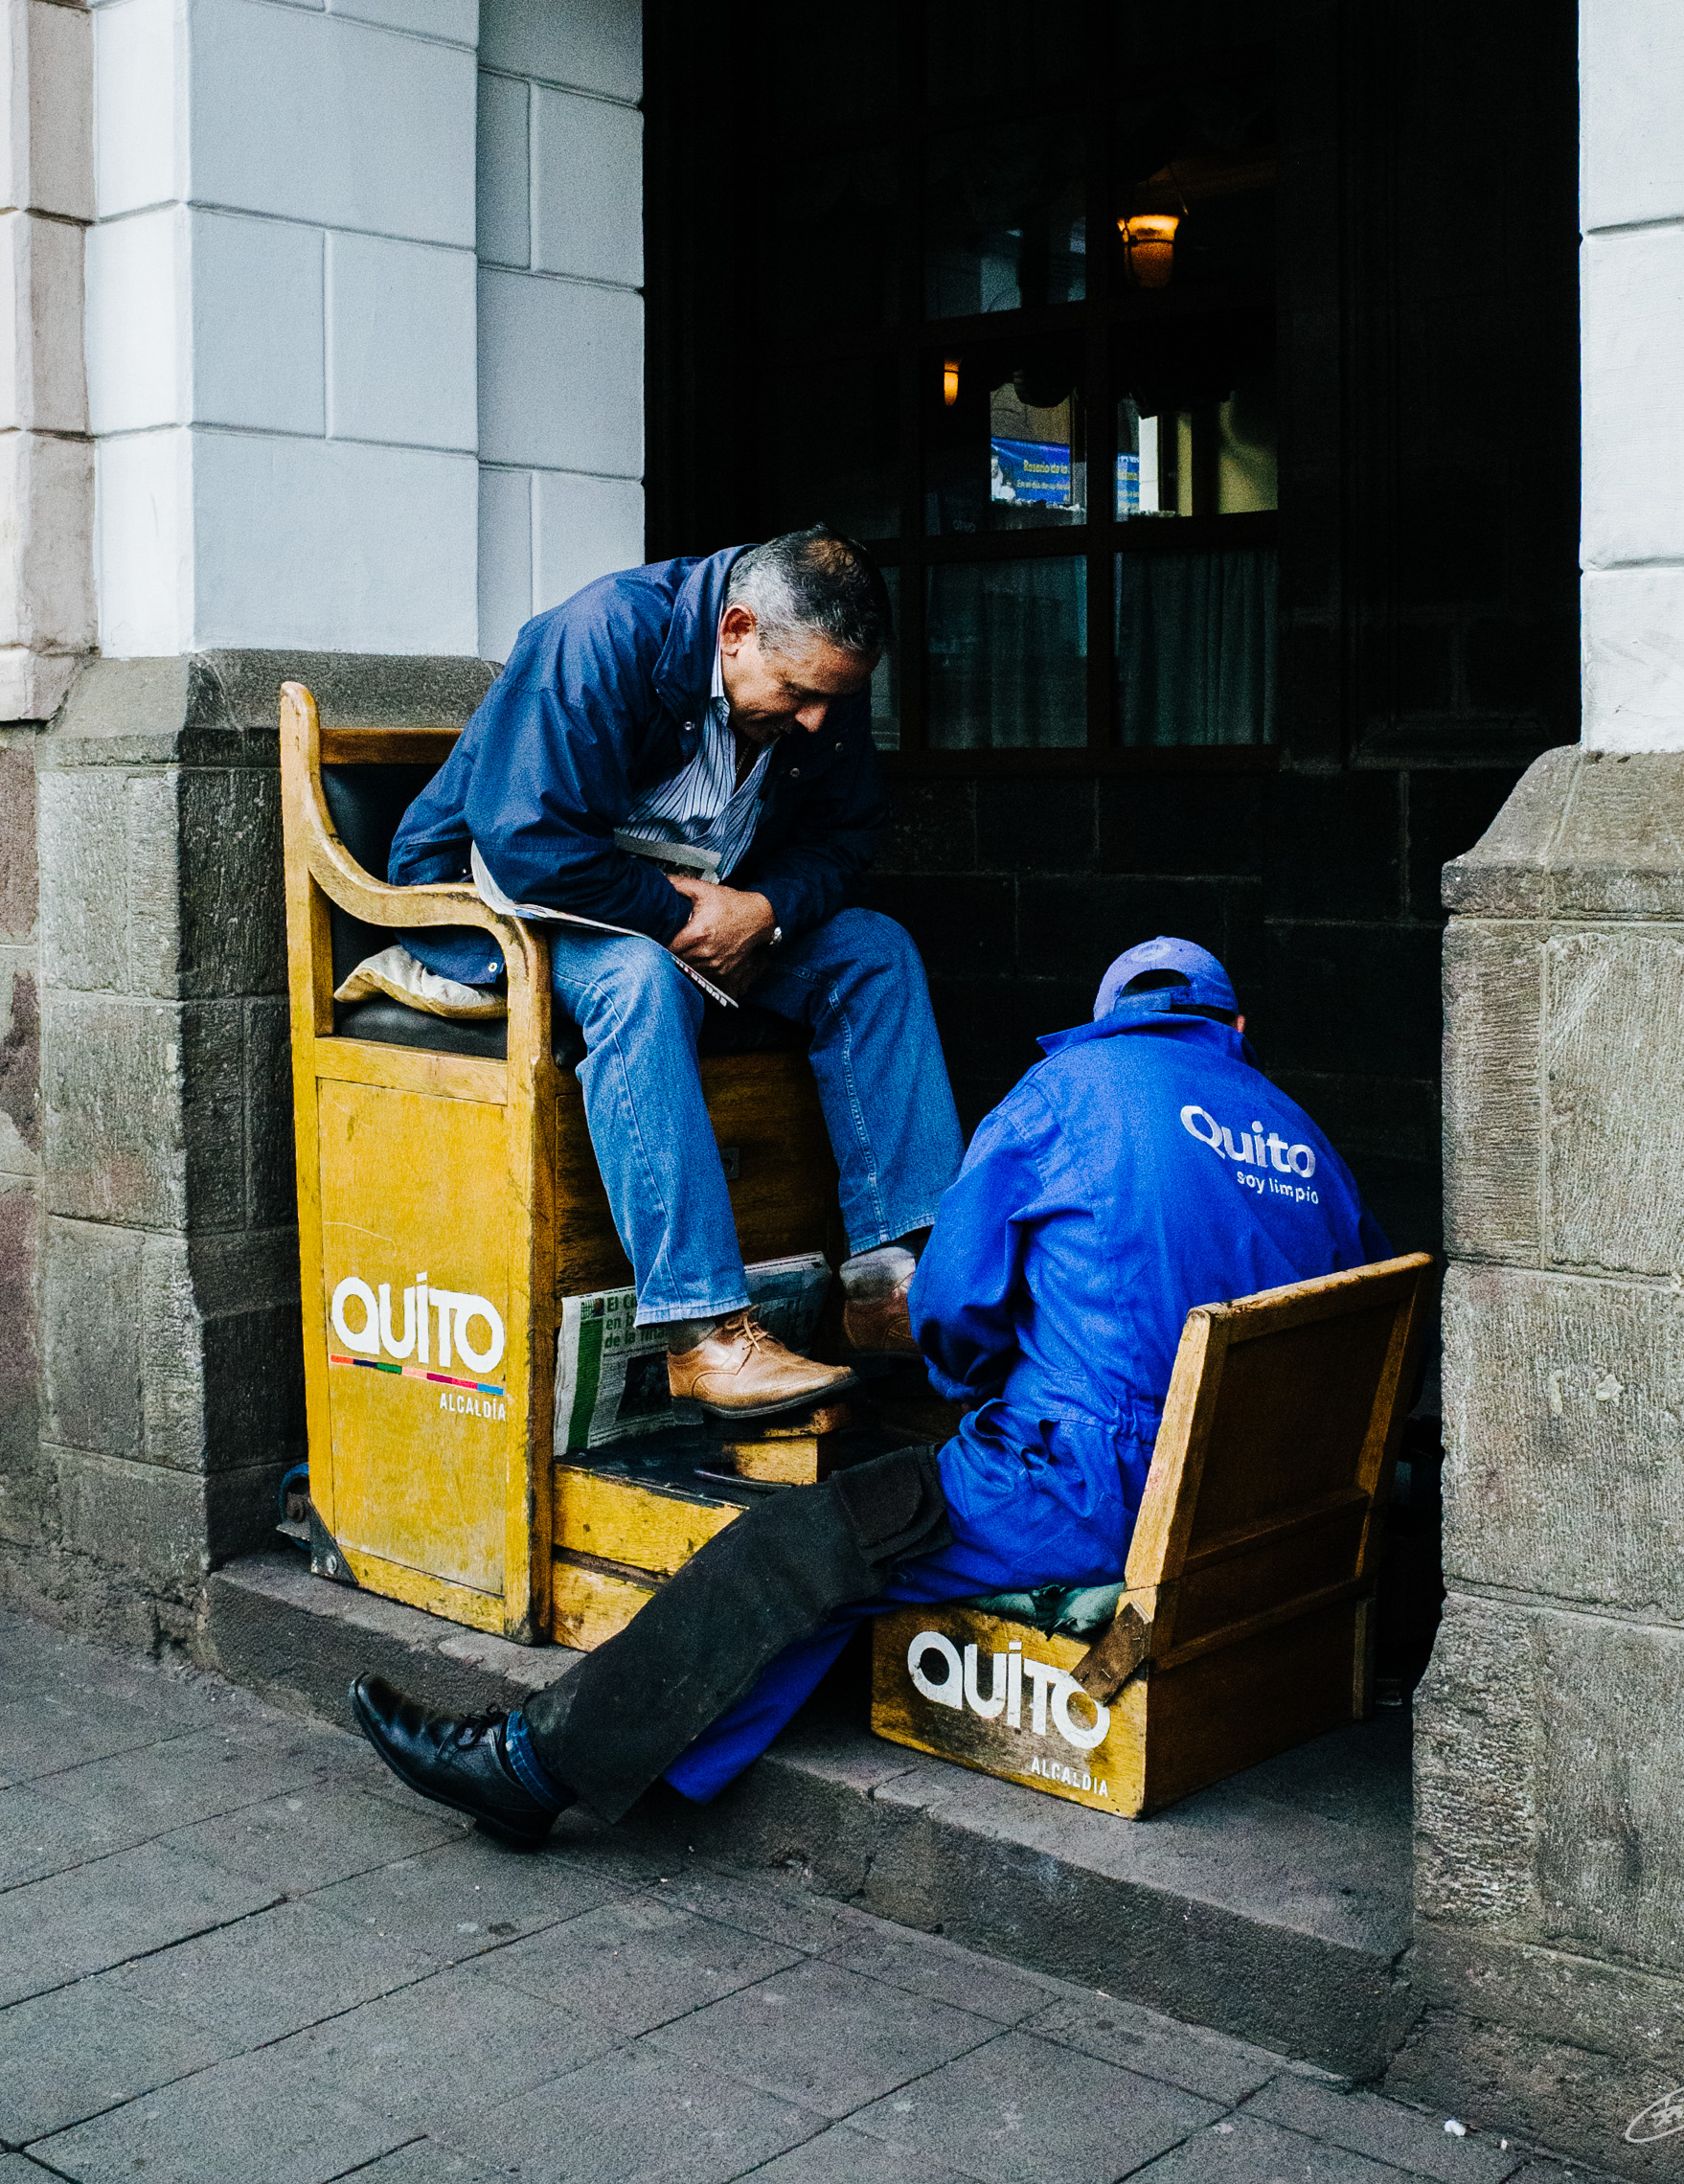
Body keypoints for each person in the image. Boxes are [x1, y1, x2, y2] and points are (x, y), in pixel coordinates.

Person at [350, 936, 1395, 1848]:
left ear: (1104, 1020)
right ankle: (660, 1745)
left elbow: (950, 1302)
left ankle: (526, 1768)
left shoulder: (1066, 1092)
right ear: (1235, 1024)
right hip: (1255, 1498)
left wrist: (965, 1375)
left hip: (1086, 1486)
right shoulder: (1308, 1140)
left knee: (796, 1545)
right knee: (866, 1542)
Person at [375, 527, 964, 1420]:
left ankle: (891, 1286)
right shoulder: (601, 635)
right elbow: (528, 844)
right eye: (798, 692)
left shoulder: (817, 693)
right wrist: (688, 918)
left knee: (875, 953)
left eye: (834, 700)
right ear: (734, 630)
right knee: (638, 980)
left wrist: (760, 911)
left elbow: (845, 842)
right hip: (507, 905)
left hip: (699, 903)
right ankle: (706, 1334)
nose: (815, 720)